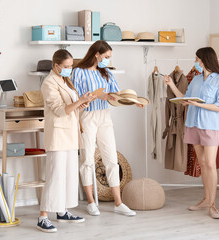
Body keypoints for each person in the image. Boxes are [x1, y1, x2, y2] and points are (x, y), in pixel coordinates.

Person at [71, 40, 141, 217]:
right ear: (96, 54)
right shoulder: (78, 72)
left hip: (104, 116)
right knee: (87, 159)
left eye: (109, 57)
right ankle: (90, 201)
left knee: (111, 159)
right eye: (106, 57)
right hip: (87, 117)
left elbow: (116, 96)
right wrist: (94, 96)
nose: (108, 60)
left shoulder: (107, 73)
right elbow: (74, 97)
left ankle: (118, 203)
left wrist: (133, 101)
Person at [164, 47, 219, 219]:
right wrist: (171, 85)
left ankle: (213, 204)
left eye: (198, 59)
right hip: (192, 124)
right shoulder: (197, 79)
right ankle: (206, 199)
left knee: (210, 164)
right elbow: (185, 99)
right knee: (202, 163)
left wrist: (198, 104)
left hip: (210, 126)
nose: (196, 62)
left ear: (205, 60)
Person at [38, 49, 96, 233]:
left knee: (68, 175)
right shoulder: (49, 83)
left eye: (71, 66)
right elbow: (59, 110)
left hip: (70, 135)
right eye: (66, 67)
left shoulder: (65, 80)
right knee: (55, 176)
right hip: (58, 136)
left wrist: (81, 103)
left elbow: (71, 109)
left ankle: (62, 210)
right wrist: (80, 101)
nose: (70, 69)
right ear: (56, 66)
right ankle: (43, 217)